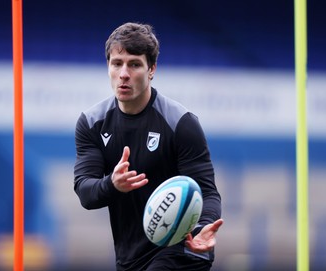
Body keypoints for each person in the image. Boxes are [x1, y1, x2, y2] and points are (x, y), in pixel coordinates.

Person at [74, 22, 223, 271]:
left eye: (134, 64)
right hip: (130, 256)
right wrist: (112, 184)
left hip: (184, 248)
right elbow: (85, 192)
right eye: (117, 63)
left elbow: (207, 192)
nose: (124, 73)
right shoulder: (92, 123)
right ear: (108, 67)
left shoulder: (180, 123)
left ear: (151, 69)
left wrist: (201, 227)